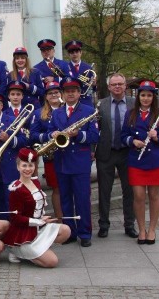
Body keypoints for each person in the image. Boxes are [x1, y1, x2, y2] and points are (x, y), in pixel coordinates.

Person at [47, 78, 99, 247]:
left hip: (80, 161)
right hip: (61, 160)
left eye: (74, 90)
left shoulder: (89, 111)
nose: (70, 93)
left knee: (82, 199)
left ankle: (85, 233)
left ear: (79, 93)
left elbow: (95, 136)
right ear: (63, 93)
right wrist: (53, 133)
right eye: (67, 91)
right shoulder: (56, 113)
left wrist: (78, 134)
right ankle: (70, 232)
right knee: (65, 199)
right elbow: (49, 131)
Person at [121, 80, 159, 245]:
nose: (145, 98)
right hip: (136, 161)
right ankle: (141, 229)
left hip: (155, 161)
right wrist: (133, 141)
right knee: (138, 195)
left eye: (149, 95)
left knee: (154, 195)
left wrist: (157, 137)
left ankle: (152, 230)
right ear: (138, 96)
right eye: (143, 95)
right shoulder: (131, 113)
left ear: (153, 97)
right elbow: (123, 136)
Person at [3, 148, 71, 266]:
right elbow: (15, 218)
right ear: (18, 167)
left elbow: (36, 207)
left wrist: (42, 219)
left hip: (38, 229)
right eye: (24, 166)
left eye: (30, 165)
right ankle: (16, 250)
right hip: (22, 233)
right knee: (52, 262)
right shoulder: (16, 189)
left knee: (66, 231)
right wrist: (38, 221)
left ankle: (37, 249)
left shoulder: (35, 182)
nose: (28, 169)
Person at [96, 73, 137, 239]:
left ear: (126, 86)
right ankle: (104, 225)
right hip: (106, 152)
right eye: (114, 84)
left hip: (128, 153)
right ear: (109, 87)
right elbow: (95, 128)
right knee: (104, 191)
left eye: (120, 84)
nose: (117, 87)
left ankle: (129, 225)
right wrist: (93, 149)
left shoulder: (135, 103)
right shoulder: (100, 104)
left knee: (130, 191)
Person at [29, 81, 64, 218]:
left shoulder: (68, 110)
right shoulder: (38, 114)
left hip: (70, 155)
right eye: (50, 93)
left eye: (56, 92)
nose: (54, 95)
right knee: (57, 189)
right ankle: (61, 220)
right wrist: (49, 136)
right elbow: (33, 135)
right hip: (52, 155)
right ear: (46, 97)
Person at [64, 40, 96, 107]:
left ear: (81, 52)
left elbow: (93, 89)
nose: (75, 54)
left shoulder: (88, 67)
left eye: (77, 51)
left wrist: (94, 84)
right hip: (70, 101)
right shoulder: (65, 67)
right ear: (69, 54)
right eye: (72, 52)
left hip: (85, 100)